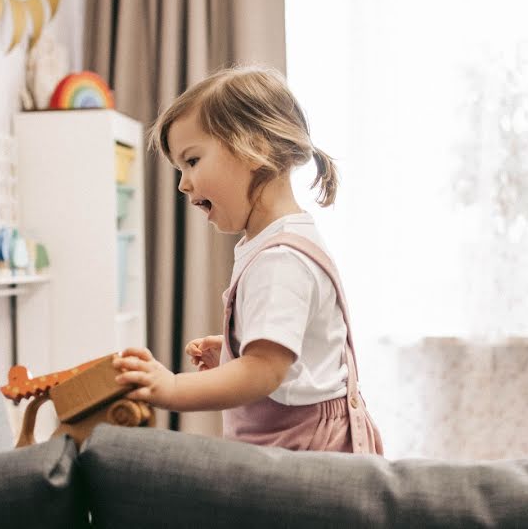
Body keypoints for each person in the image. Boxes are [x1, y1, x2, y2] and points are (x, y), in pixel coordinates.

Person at [113, 65, 382, 454]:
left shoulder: (281, 258)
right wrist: (234, 347)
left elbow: (264, 371)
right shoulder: (277, 241)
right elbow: (289, 353)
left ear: (253, 147)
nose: (183, 183)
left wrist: (171, 387)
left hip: (305, 449)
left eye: (192, 161)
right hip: (298, 439)